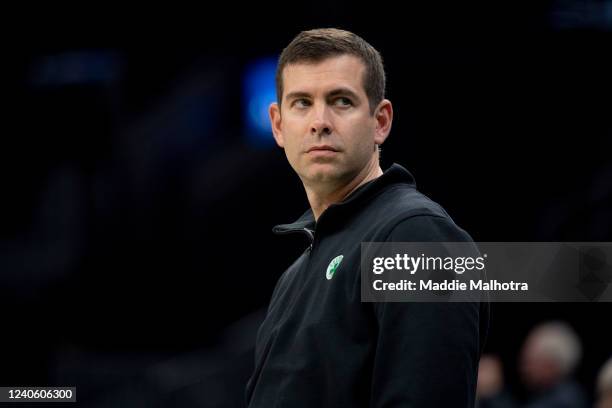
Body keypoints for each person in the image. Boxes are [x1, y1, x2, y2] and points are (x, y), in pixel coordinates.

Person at [245, 28, 489, 407]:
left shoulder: (414, 235)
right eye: (302, 103)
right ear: (278, 125)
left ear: (381, 121)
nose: (319, 121)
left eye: (341, 101)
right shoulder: (296, 272)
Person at [519, 321, 587, 408]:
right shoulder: (544, 393)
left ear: (551, 364)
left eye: (531, 362)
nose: (525, 368)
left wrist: (497, 393)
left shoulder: (565, 400)